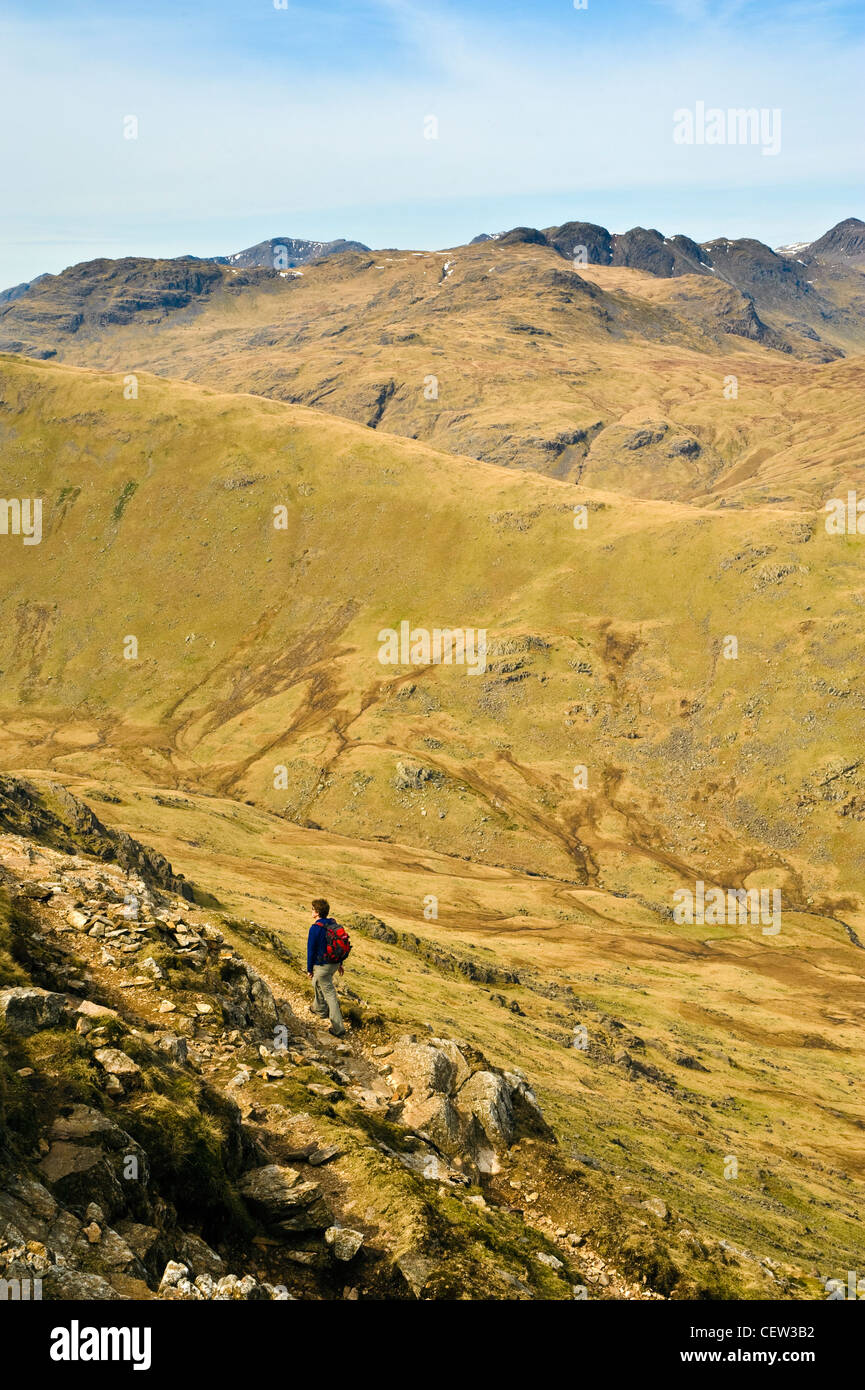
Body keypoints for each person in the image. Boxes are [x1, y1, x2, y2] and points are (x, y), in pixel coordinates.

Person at [306, 897, 346, 1036]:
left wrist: (309, 969)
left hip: (323, 965)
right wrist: (340, 964)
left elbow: (311, 950)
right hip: (334, 964)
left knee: (330, 994)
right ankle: (319, 1009)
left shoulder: (315, 928)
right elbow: (338, 945)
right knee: (316, 982)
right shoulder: (332, 924)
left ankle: (338, 1028)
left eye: (312, 909)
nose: (311, 911)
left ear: (316, 912)